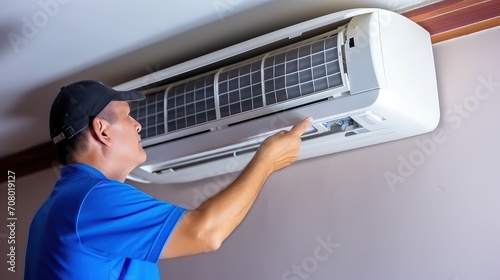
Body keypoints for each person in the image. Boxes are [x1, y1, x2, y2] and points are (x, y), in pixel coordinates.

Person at [24, 80, 312, 279]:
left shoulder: (56, 208)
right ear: (103, 130)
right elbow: (206, 233)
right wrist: (267, 161)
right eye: (127, 117)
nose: (137, 125)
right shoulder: (90, 199)